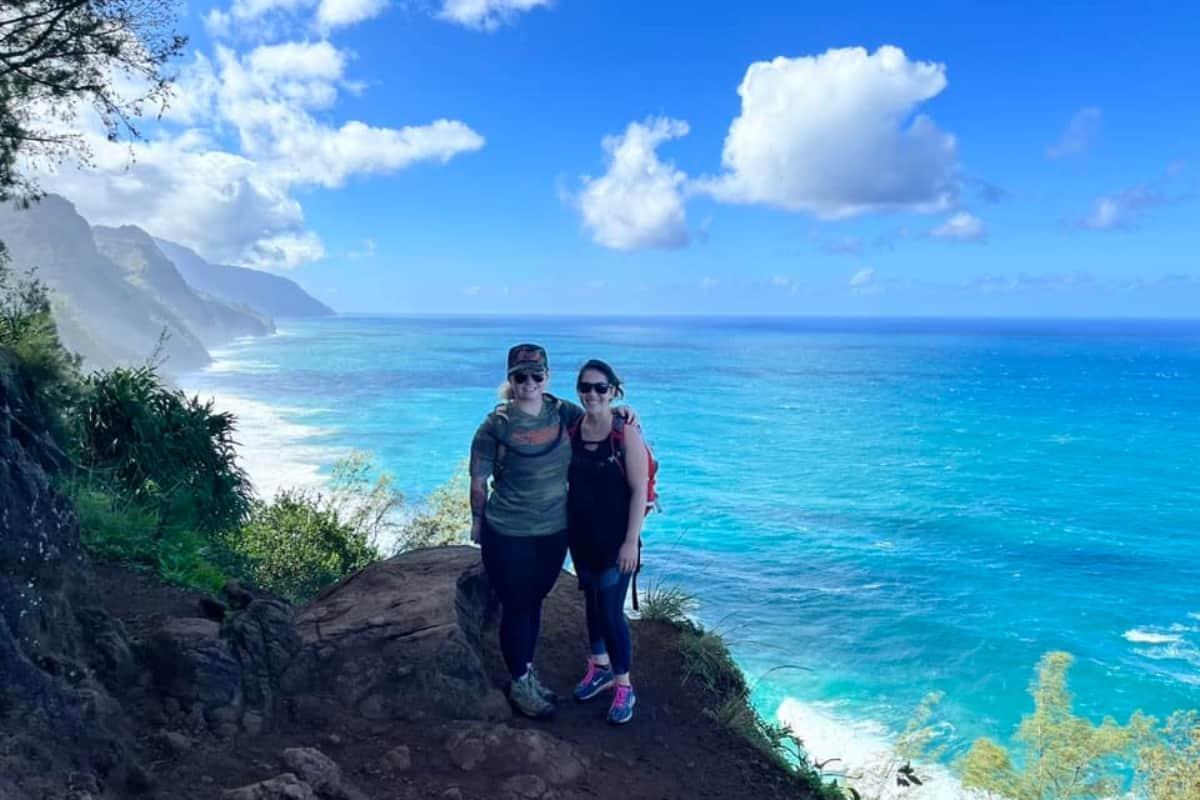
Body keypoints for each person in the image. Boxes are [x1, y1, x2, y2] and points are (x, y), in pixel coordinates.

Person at [469, 344, 636, 719]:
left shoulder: (562, 412)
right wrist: (477, 522)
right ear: (510, 380)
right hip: (508, 531)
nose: (528, 383)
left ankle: (526, 672)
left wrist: (623, 412)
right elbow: (478, 482)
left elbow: (599, 419)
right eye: (520, 377)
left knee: (534, 602)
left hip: (552, 532)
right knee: (516, 605)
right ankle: (519, 680)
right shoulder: (494, 426)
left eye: (536, 376)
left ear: (547, 377)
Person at [567, 359, 647, 725]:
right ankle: (598, 667)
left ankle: (624, 685)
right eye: (586, 387)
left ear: (613, 391)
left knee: (612, 611)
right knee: (593, 602)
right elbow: (530, 395)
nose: (593, 394)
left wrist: (631, 541)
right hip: (582, 537)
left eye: (601, 388)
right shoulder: (573, 428)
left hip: (617, 541)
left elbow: (638, 491)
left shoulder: (625, 432)